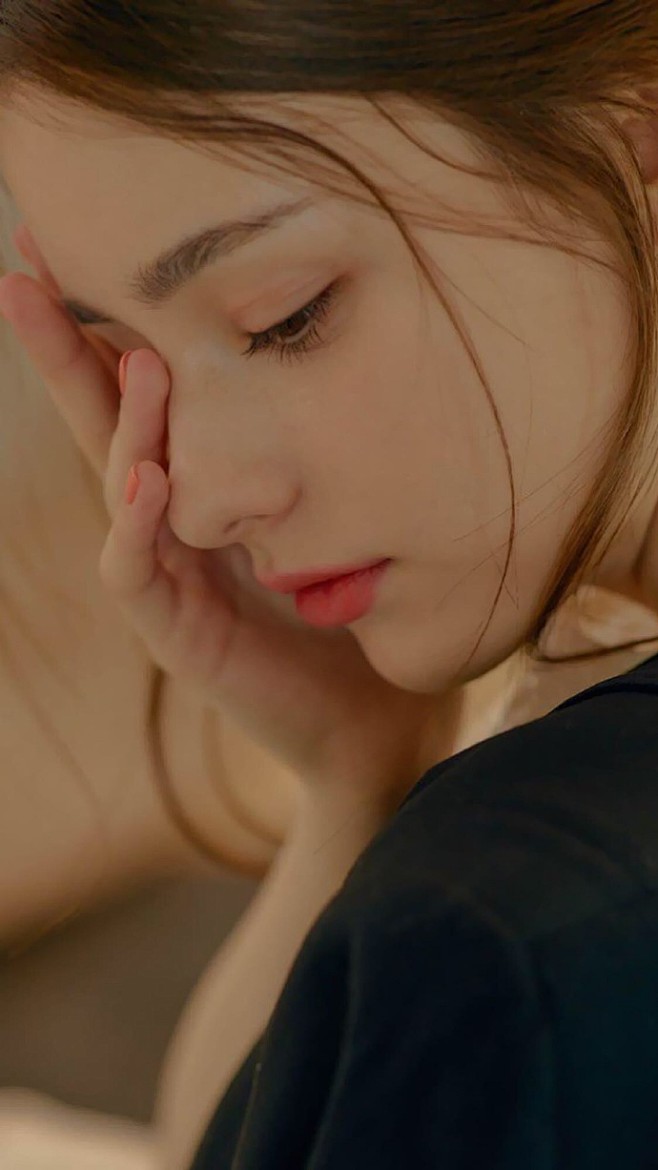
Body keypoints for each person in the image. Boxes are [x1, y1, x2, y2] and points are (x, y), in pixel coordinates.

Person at [2, 1, 658, 1166]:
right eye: (131, 361)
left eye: (284, 319)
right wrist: (358, 774)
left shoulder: (504, 931)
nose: (197, 503)